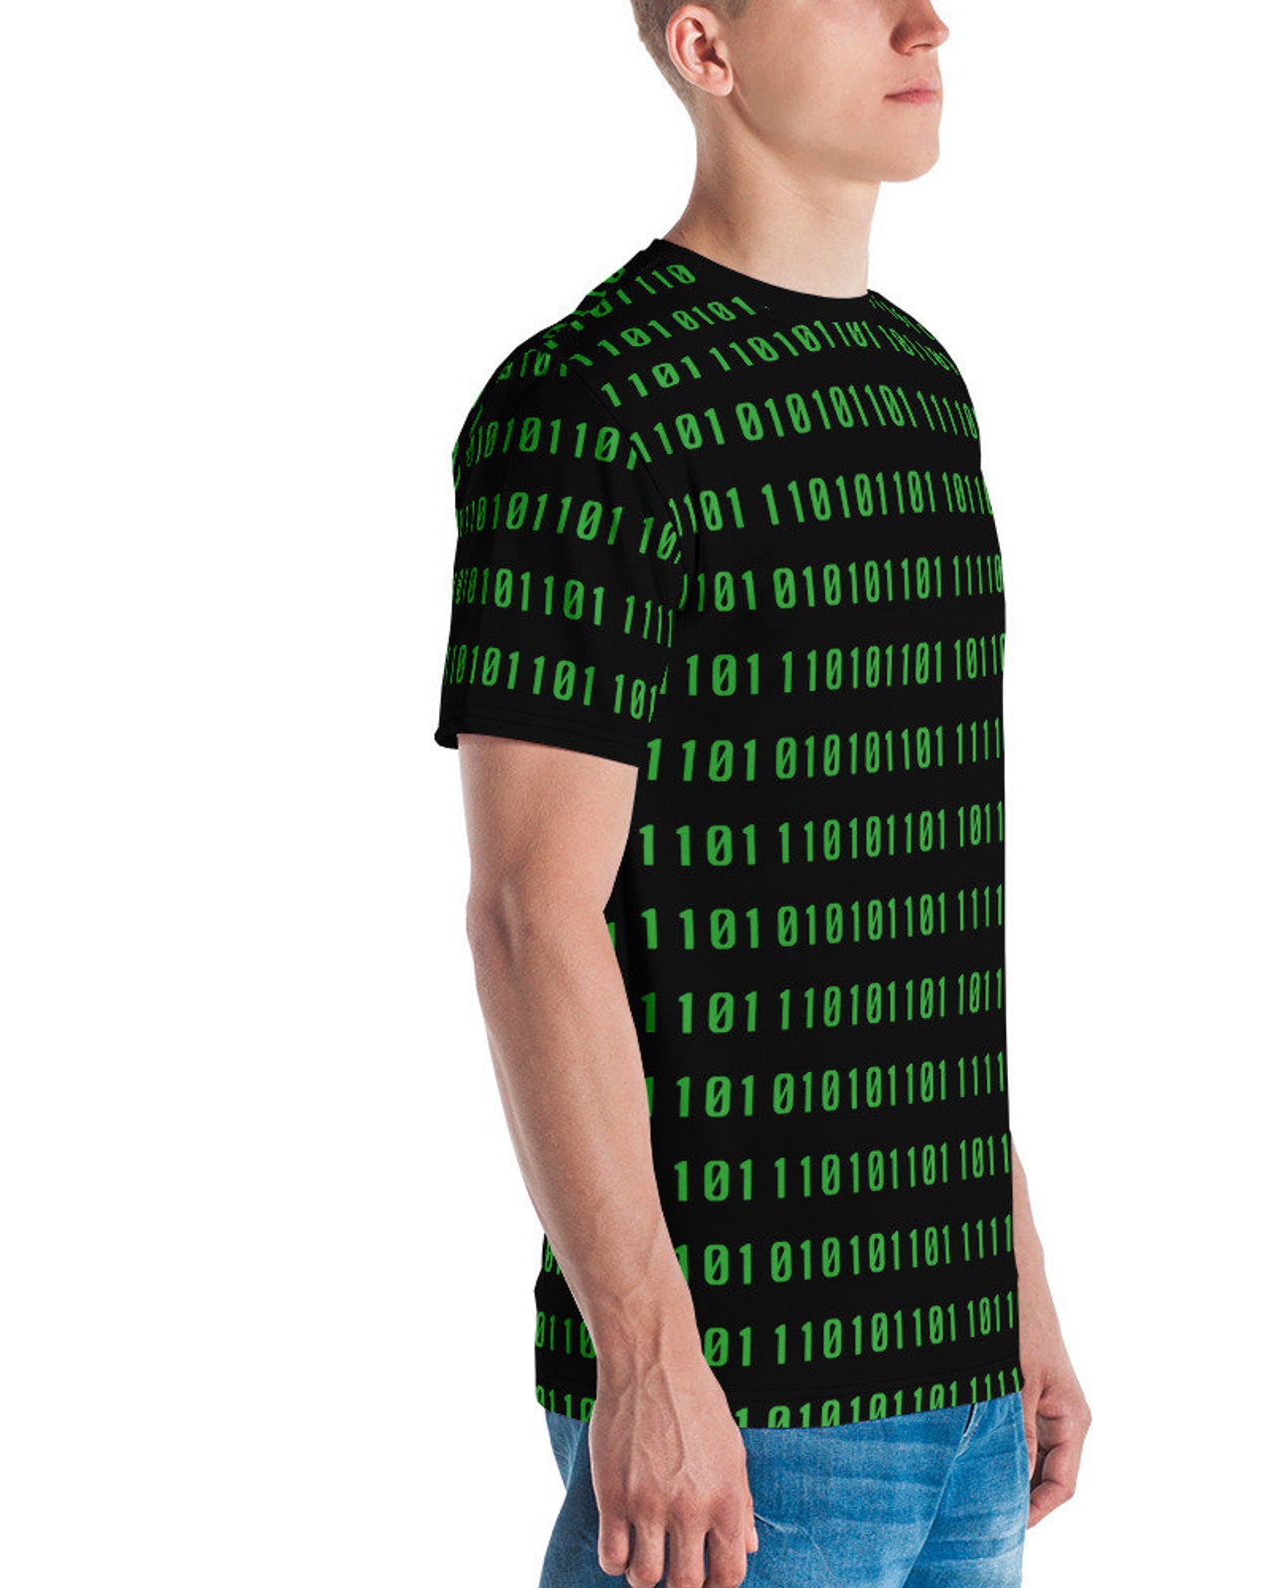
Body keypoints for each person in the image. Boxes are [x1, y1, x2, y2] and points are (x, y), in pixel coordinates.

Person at [433, 3, 1090, 1583]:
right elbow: (531, 915)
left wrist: (1014, 1282)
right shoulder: (588, 409)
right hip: (742, 1401)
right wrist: (648, 1358)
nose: (927, 22)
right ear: (706, 49)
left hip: (961, 1387)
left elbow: (909, 902)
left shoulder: (921, 390)